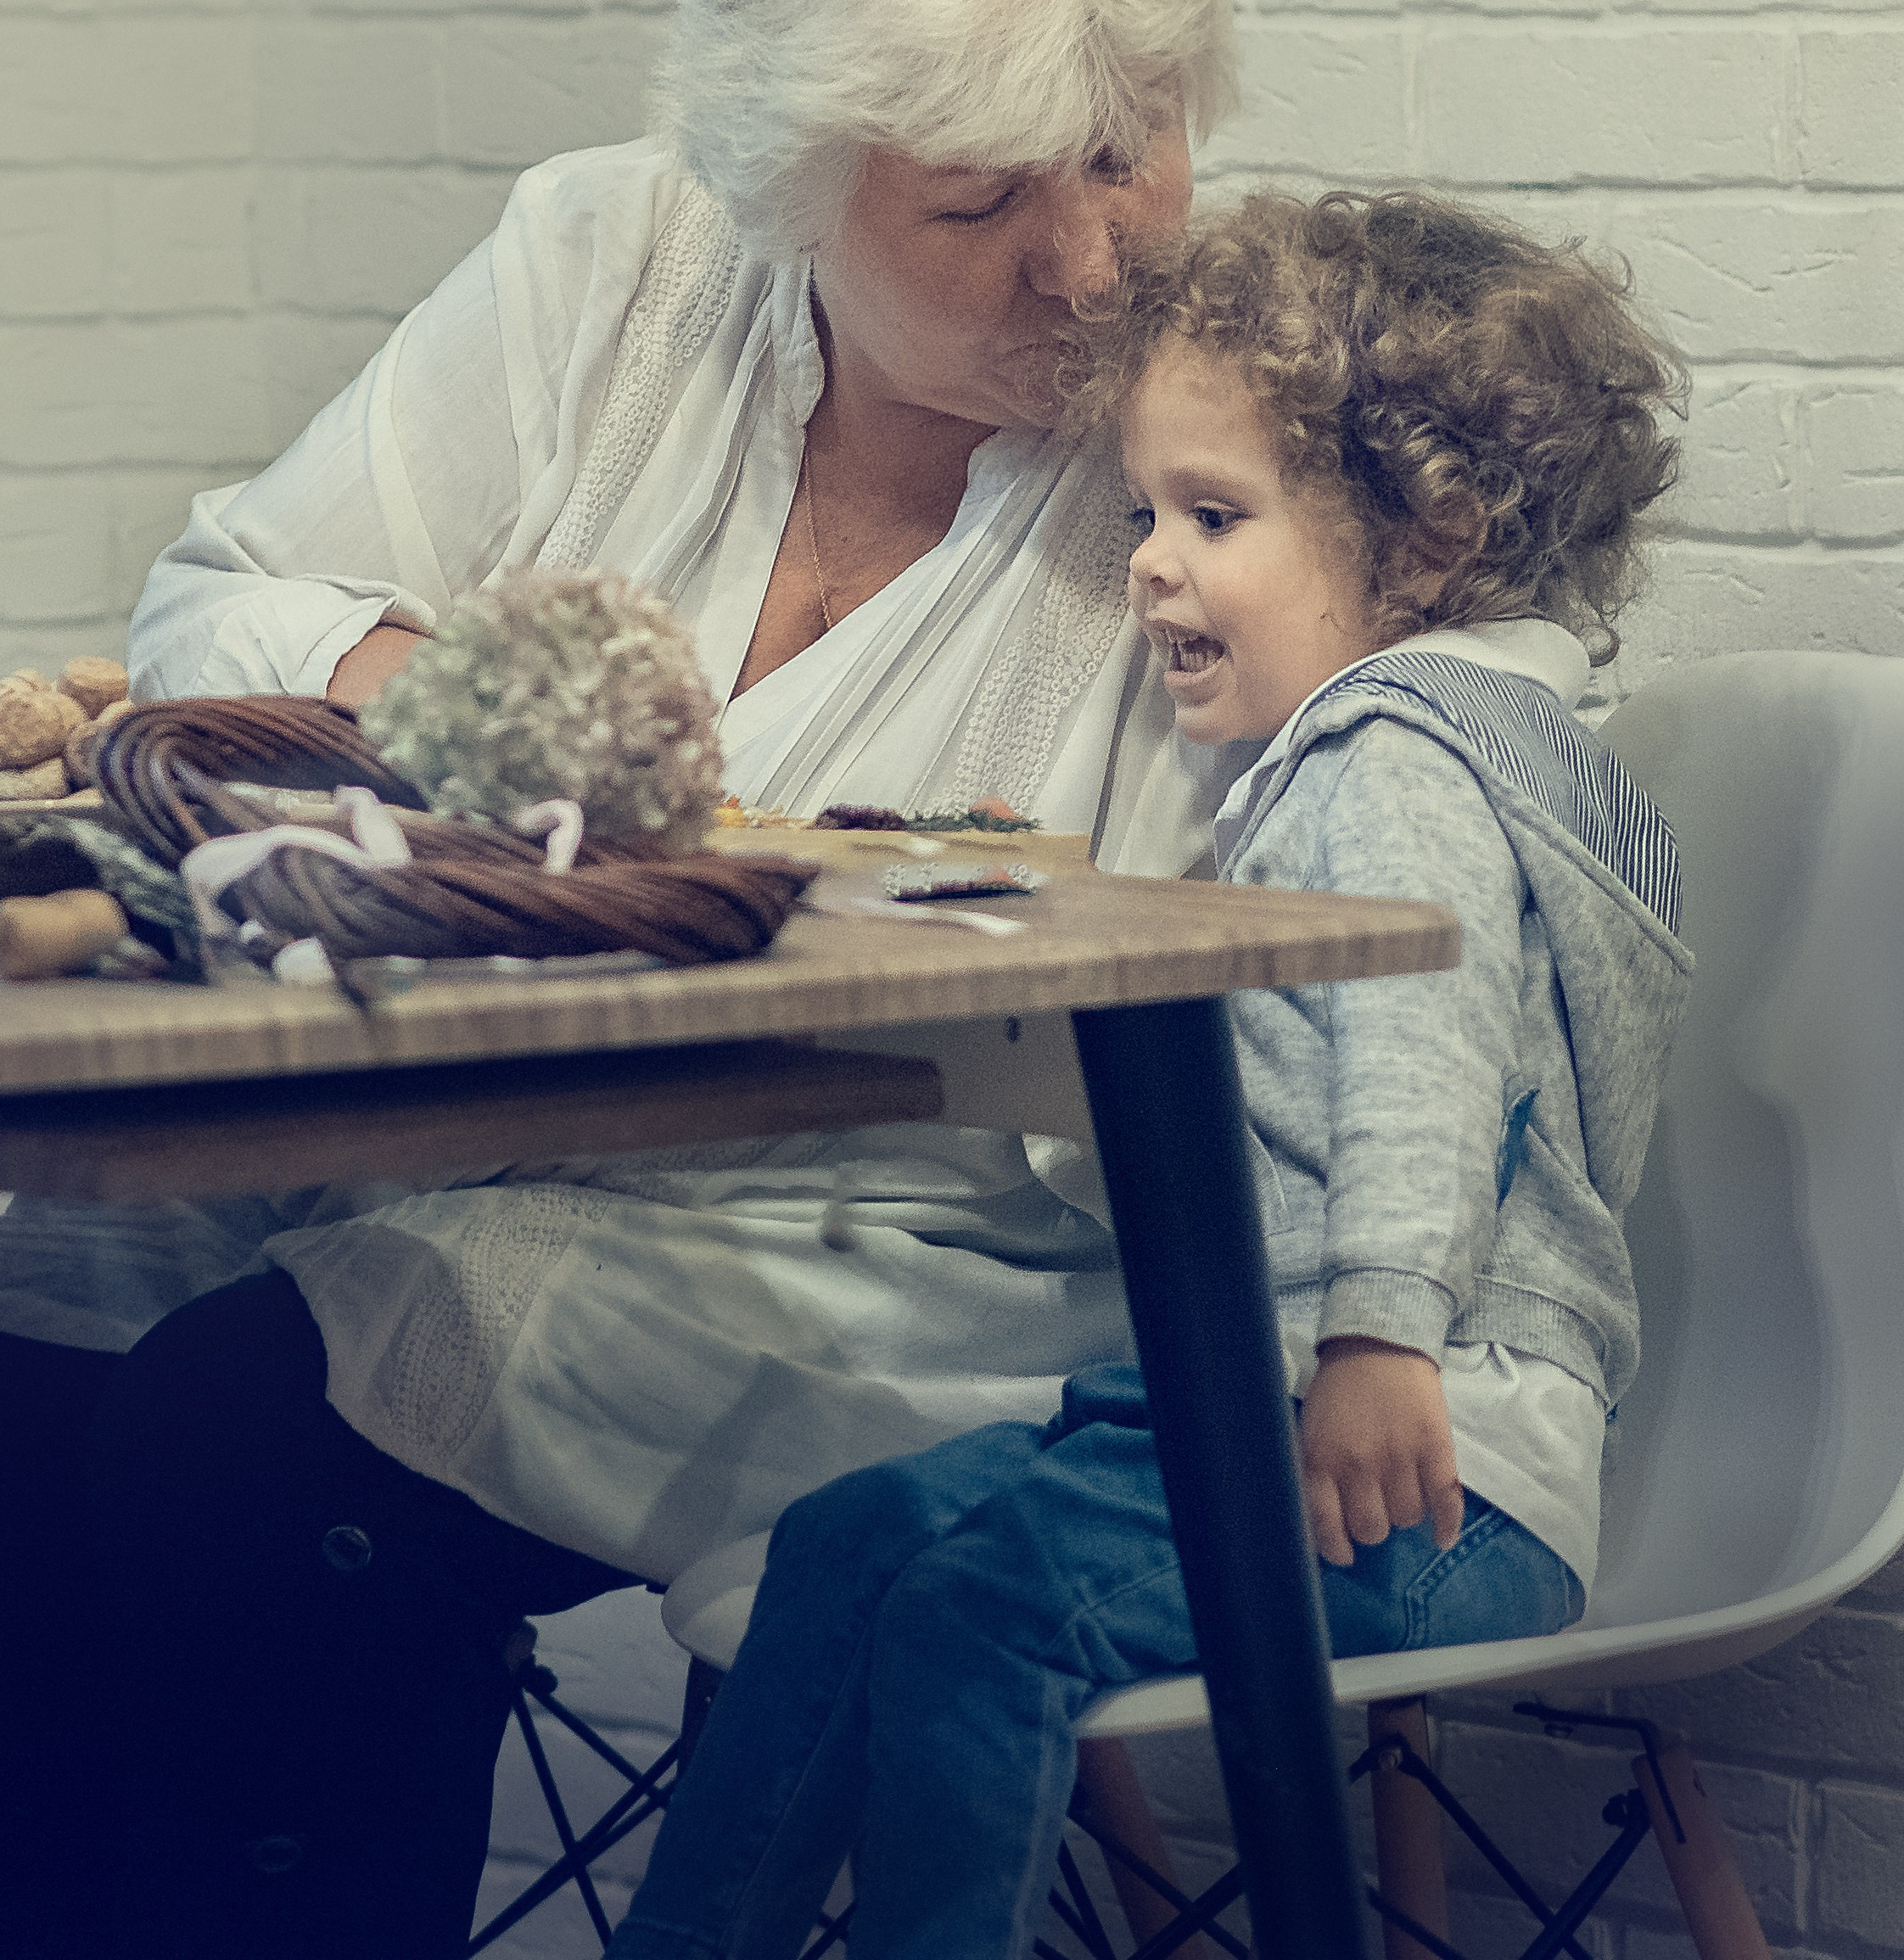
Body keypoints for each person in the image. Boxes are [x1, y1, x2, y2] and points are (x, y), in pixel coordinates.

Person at [0, 0, 1252, 1960]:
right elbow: (223, 599)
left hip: (920, 1219)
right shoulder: (619, 253)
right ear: (786, 182)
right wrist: (495, 714)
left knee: (243, 1433)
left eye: (1124, 152)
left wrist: (607, 828)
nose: (1088, 261)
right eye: (970, 205)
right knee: (41, 1325)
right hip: (451, 1123)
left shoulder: (1241, 421)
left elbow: (1258, 899)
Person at [606, 187, 1694, 1960]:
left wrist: (1377, 1342)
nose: (1151, 562)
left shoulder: (1398, 753)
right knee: (853, 1537)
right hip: (1242, 1424)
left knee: (980, 1609)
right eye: (1143, 509)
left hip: (1424, 1477)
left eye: (1214, 513)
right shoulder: (1471, 743)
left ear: (1427, 537)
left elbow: (1426, 1052)